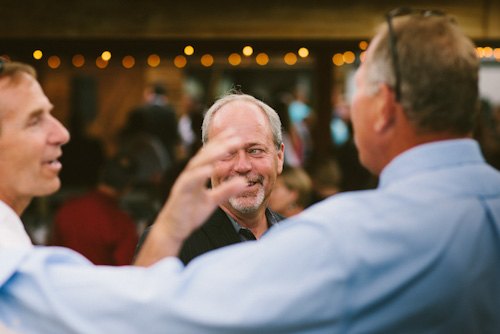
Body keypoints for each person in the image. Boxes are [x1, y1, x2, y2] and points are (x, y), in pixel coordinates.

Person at [1, 9, 500, 333]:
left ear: (384, 107)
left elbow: (150, 315)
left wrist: (15, 272)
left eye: (358, 87)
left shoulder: (351, 239)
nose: (242, 166)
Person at [135, 93, 286, 264]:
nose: (242, 166)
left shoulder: (296, 237)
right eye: (227, 153)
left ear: (279, 157)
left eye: (255, 150)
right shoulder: (173, 242)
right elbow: (145, 289)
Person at [49, 154, 139, 266]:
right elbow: (126, 270)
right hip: (103, 283)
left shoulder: (67, 208)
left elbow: (52, 253)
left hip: (64, 281)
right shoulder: (122, 223)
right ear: (128, 188)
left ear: (101, 173)